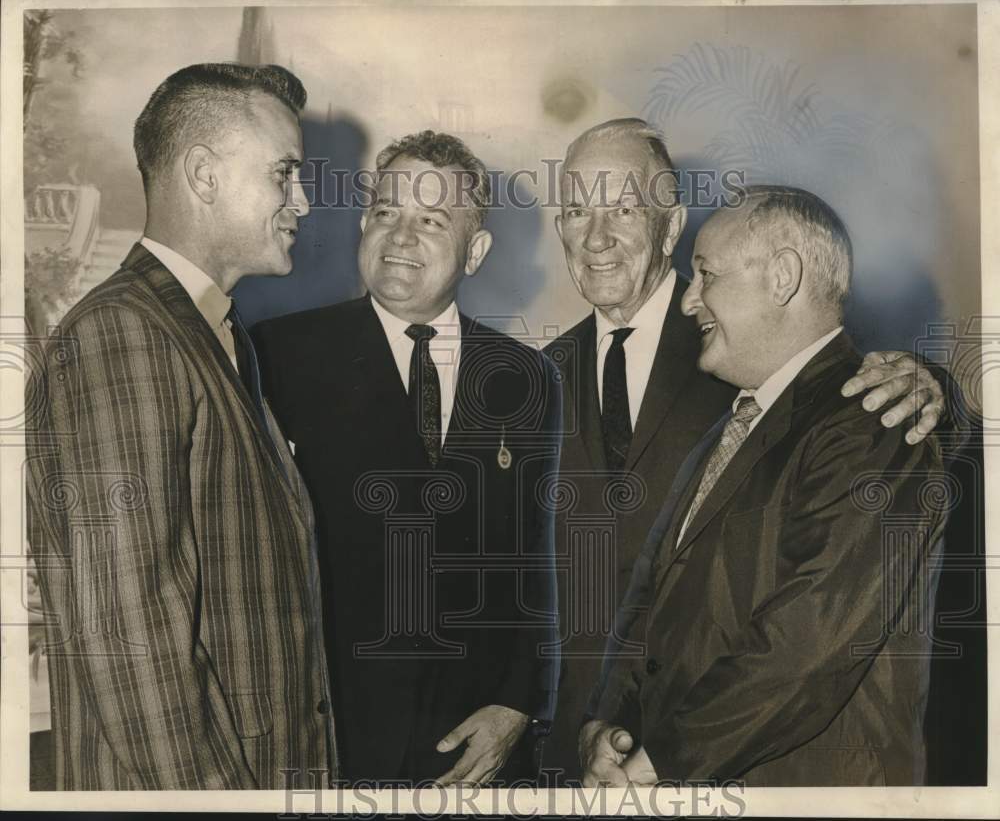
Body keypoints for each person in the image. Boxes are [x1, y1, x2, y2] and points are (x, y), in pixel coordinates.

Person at [542, 118, 948, 780]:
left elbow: (807, 643)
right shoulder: (727, 411)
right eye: (576, 211)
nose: (596, 237)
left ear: (670, 227)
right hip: (616, 761)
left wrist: (942, 393)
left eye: (622, 209)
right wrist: (603, 728)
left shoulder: (859, 403)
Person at [25, 63, 336, 789]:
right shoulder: (122, 335)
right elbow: (131, 639)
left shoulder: (208, 334)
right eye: (285, 173)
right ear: (203, 175)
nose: (304, 202)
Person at [253, 131, 561, 785]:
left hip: (476, 745)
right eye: (387, 212)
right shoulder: (277, 356)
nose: (400, 236)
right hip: (328, 739)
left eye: (431, 221)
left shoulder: (525, 377)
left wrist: (515, 705)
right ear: (363, 223)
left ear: (474, 251)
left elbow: (543, 556)